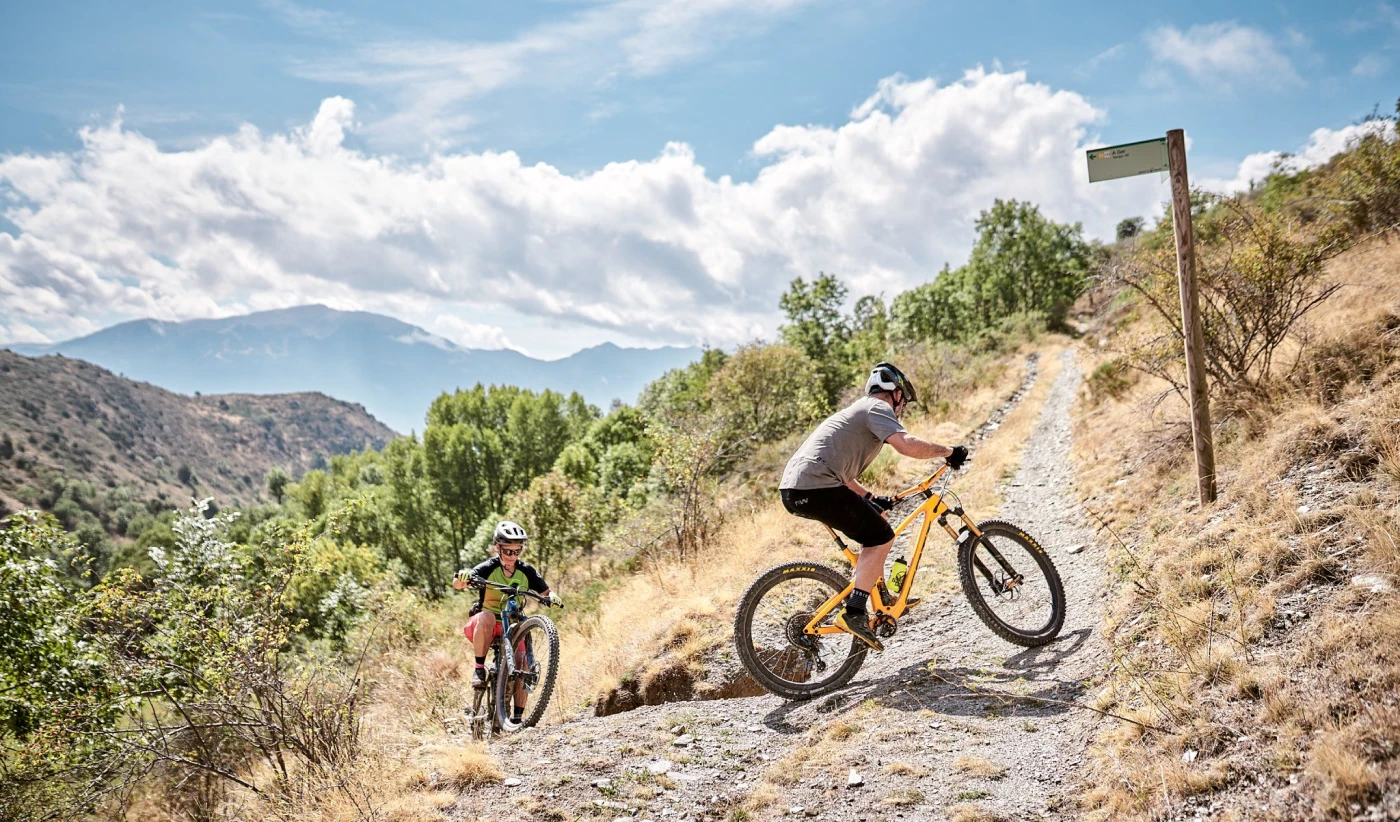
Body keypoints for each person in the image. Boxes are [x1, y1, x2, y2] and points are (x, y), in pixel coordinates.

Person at [779, 362, 967, 652]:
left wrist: (869, 497)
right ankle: (854, 612)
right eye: (903, 399)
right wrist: (949, 451)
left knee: (874, 522)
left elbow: (840, 471)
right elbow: (906, 445)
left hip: (799, 488)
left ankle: (883, 599)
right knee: (880, 537)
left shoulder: (855, 412)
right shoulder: (877, 408)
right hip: (816, 487)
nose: (902, 406)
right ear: (894, 394)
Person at [453, 520, 562, 722]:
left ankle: (517, 720)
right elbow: (458, 583)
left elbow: (545, 591)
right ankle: (479, 669)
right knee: (485, 616)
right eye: (508, 551)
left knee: (524, 664)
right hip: (486, 626)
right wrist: (464, 576)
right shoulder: (488, 567)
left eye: (517, 551)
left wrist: (552, 596)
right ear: (497, 548)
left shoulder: (526, 570)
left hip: (512, 626)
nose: (512, 556)